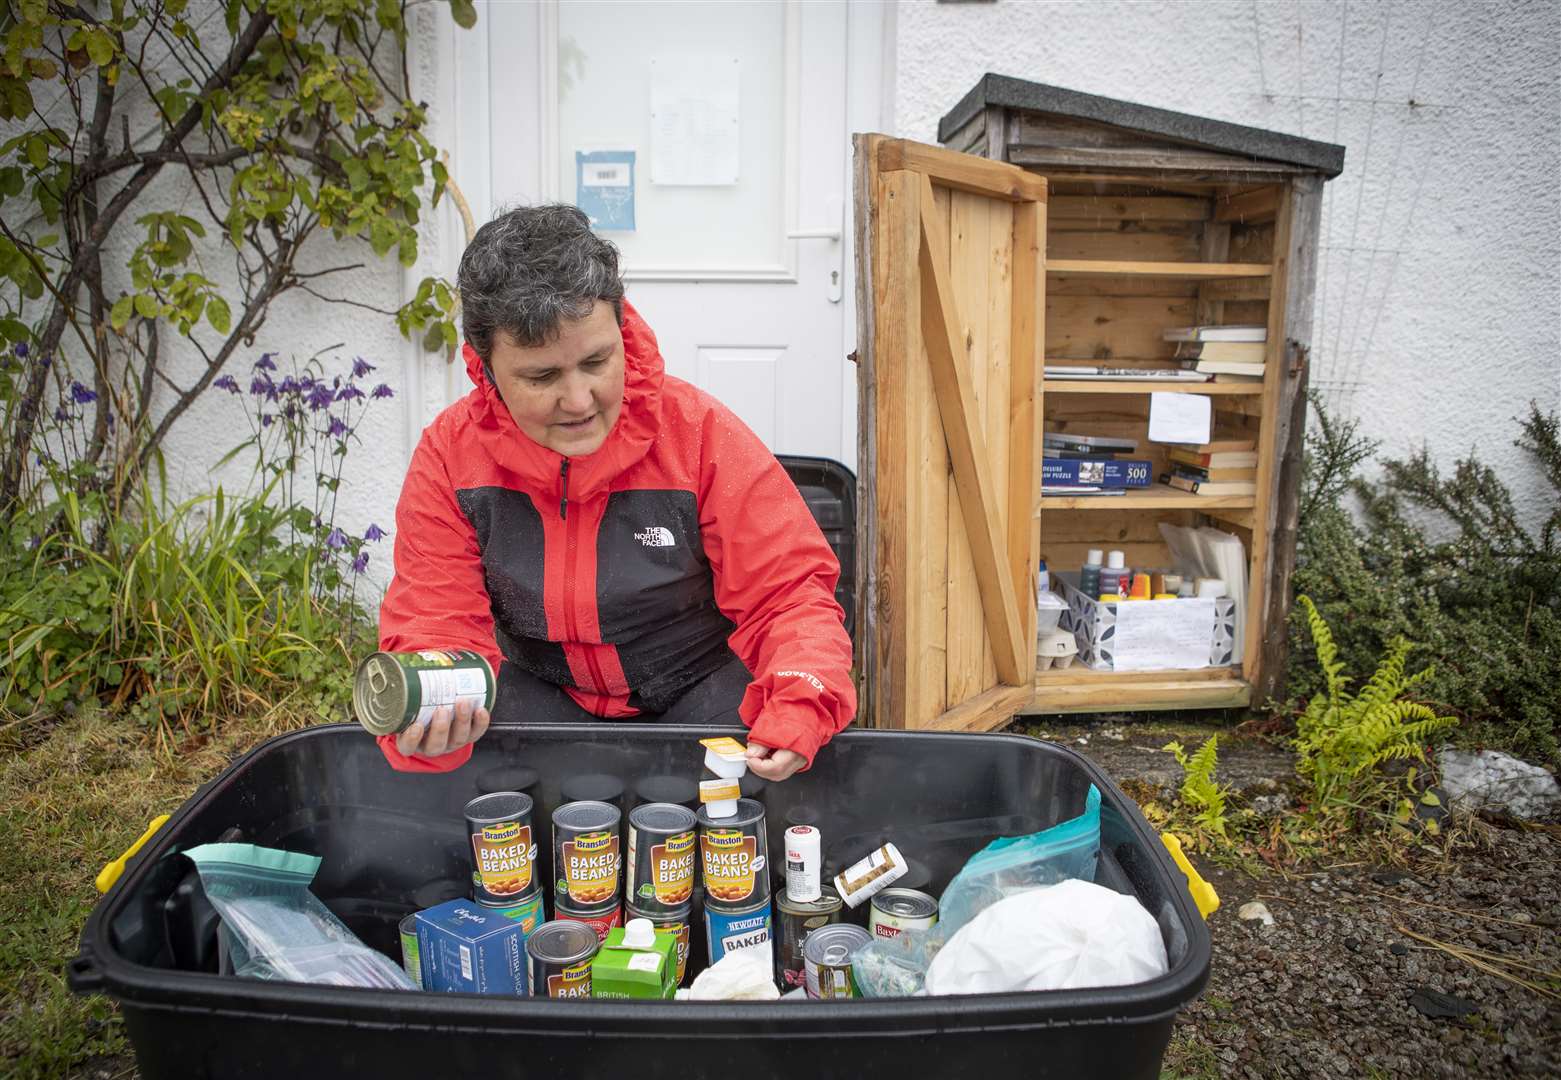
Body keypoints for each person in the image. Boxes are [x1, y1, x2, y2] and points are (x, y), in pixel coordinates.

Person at [374, 205, 855, 781]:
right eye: (542, 377)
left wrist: (801, 702)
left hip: (702, 690)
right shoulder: (449, 455)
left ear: (621, 330)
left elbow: (789, 594)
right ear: (486, 368)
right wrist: (428, 712)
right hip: (543, 694)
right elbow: (436, 622)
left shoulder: (699, 432)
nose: (578, 401)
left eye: (597, 361)